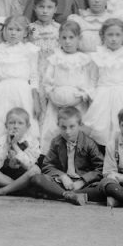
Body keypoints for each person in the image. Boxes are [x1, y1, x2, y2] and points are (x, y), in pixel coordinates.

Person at [30, 106, 104, 206]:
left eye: (72, 127)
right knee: (36, 179)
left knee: (102, 187)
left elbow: (100, 168)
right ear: (58, 126)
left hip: (83, 184)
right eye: (63, 127)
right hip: (62, 182)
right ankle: (68, 195)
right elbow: (47, 165)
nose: (67, 132)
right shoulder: (56, 142)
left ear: (80, 125)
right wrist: (63, 176)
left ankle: (59, 194)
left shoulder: (89, 143)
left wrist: (82, 181)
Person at [39, 21, 94, 156]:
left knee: (75, 131)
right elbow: (47, 82)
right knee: (53, 130)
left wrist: (77, 100)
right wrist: (53, 99)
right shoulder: (55, 58)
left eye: (71, 37)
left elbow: (87, 83)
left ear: (79, 38)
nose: (67, 41)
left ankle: (77, 160)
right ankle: (53, 159)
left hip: (77, 105)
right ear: (59, 39)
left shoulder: (84, 59)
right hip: (56, 106)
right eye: (64, 38)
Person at [83, 18, 123, 150]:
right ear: (103, 36)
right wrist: (93, 97)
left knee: (122, 126)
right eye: (110, 35)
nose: (114, 39)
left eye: (118, 35)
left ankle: (122, 157)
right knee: (101, 128)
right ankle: (102, 155)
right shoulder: (98, 56)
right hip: (103, 95)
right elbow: (93, 79)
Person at [0, 16, 42, 141]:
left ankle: (22, 150)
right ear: (4, 30)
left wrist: (36, 100)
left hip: (22, 91)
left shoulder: (29, 50)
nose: (13, 33)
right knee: (1, 126)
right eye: (10, 29)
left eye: (18, 30)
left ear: (25, 33)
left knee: (22, 125)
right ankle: (0, 150)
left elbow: (34, 77)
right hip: (2, 92)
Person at [0, 107, 41, 197]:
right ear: (6, 125)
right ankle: (23, 190)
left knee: (36, 169)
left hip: (24, 176)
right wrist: (6, 145)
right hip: (6, 177)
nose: (15, 126)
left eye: (20, 123)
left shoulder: (32, 142)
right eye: (12, 123)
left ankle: (2, 191)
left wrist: (14, 145)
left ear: (28, 126)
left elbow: (29, 164)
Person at [27, 0, 61, 114]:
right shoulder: (30, 28)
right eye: (41, 7)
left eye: (49, 7)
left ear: (55, 9)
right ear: (35, 8)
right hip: (35, 71)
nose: (45, 11)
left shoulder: (59, 29)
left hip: (53, 72)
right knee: (38, 106)